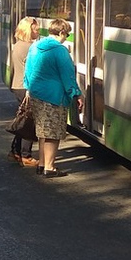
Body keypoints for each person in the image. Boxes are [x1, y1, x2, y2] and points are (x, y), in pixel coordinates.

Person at [24, 18, 83, 178]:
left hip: (36, 93)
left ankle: (42, 164)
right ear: (62, 32)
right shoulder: (59, 50)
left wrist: (29, 87)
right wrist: (76, 93)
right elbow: (68, 76)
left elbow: (27, 69)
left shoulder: (35, 46)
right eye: (67, 33)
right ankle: (49, 167)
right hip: (53, 97)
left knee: (43, 132)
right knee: (53, 133)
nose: (67, 37)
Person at [8, 17, 39, 167]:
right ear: (28, 30)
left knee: (22, 120)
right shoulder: (30, 47)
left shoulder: (17, 45)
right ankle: (26, 155)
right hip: (26, 88)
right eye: (34, 28)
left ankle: (15, 151)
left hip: (17, 85)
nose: (37, 30)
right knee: (29, 123)